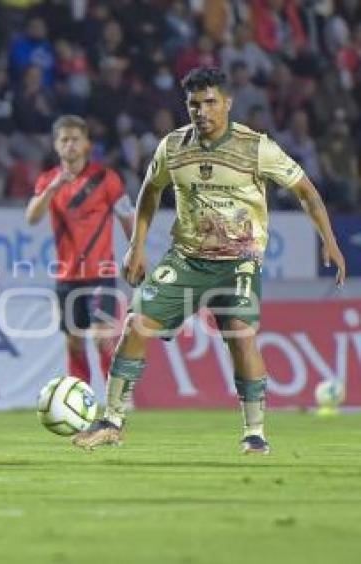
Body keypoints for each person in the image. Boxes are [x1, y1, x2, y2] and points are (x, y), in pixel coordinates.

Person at [73, 67, 346, 454]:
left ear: (227, 103)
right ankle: (112, 421)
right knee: (136, 323)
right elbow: (150, 192)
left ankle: (255, 433)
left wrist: (329, 241)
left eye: (210, 102)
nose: (201, 111)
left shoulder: (256, 147)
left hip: (239, 261)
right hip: (186, 258)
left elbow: (305, 190)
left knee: (240, 335)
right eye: (194, 104)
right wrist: (137, 245)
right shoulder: (173, 146)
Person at [25, 115, 133, 385]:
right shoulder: (48, 180)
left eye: (76, 139)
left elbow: (127, 217)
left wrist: (136, 250)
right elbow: (31, 217)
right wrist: (51, 190)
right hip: (67, 276)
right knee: (74, 341)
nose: (70, 145)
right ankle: (80, 403)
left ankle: (114, 405)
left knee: (101, 336)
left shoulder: (106, 179)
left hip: (101, 272)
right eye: (65, 140)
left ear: (87, 144)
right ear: (56, 145)